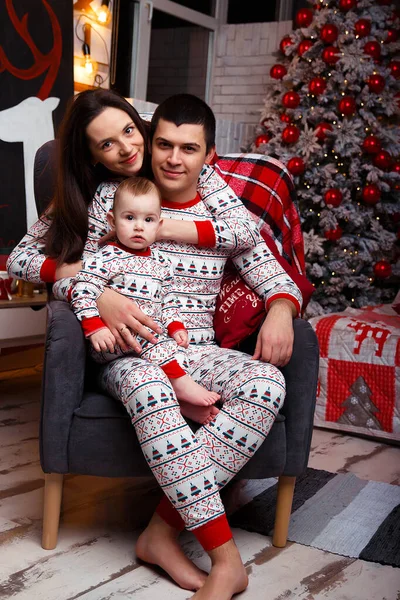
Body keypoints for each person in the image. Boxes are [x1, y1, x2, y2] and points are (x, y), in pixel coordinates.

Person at [7, 89, 302, 599]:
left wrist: (280, 307)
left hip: (197, 348)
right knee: (150, 386)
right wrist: (94, 293)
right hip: (129, 351)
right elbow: (38, 262)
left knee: (265, 382)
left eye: (131, 133)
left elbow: (256, 250)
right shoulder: (112, 200)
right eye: (162, 144)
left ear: (205, 155)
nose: (163, 156)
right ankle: (225, 558)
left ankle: (162, 533)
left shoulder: (212, 195)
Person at [71, 175, 220, 417]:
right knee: (154, 341)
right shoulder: (107, 256)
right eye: (129, 218)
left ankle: (180, 404)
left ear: (158, 226)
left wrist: (176, 326)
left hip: (147, 343)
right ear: (112, 221)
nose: (139, 226)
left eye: (148, 219)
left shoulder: (160, 263)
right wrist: (95, 327)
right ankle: (182, 385)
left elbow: (168, 301)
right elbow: (82, 288)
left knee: (177, 351)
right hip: (112, 340)